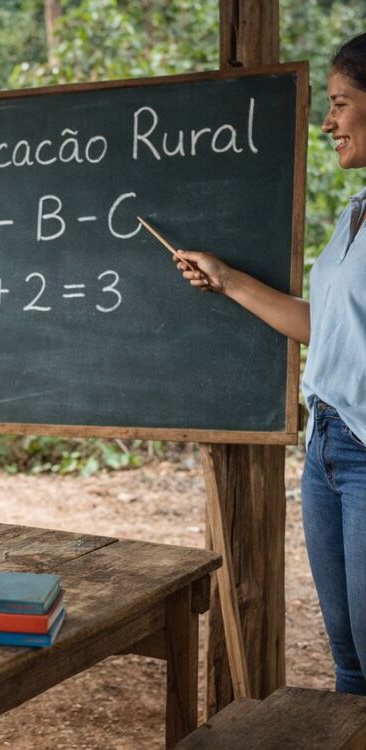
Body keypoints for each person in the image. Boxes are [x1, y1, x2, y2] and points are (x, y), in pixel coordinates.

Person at [173, 33, 366, 695]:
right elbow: (327, 328)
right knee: (350, 662)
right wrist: (226, 279)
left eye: (340, 104)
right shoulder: (355, 214)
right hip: (328, 447)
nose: (328, 122)